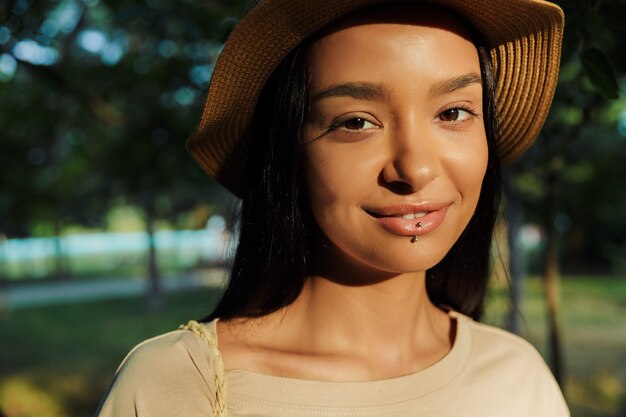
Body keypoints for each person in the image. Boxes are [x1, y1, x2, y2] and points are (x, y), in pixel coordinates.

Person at [96, 0, 568, 416]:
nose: (417, 168)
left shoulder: (517, 379)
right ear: (289, 152)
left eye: (453, 112)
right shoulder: (179, 388)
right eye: (357, 121)